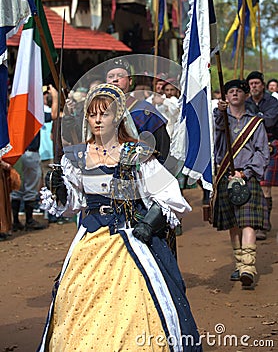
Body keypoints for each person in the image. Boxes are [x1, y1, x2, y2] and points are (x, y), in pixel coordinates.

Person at [38, 83, 202, 351]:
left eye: (105, 113)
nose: (98, 120)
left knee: (136, 304)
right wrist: (59, 190)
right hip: (89, 244)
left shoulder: (137, 154)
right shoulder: (76, 158)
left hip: (131, 239)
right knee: (77, 301)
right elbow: (72, 205)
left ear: (118, 117)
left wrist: (150, 223)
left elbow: (171, 197)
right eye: (93, 115)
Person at [213, 79, 270, 288]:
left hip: (247, 177)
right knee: (233, 224)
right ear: (226, 97)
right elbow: (216, 131)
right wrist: (220, 112)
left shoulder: (256, 122)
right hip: (225, 176)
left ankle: (248, 267)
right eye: (230, 91)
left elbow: (262, 152)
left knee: (248, 222)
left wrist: (245, 173)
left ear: (246, 95)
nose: (234, 93)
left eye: (239, 91)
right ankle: (238, 265)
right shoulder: (220, 120)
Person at [106, 58, 171, 164]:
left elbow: (162, 145)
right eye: (111, 76)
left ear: (130, 81)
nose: (115, 80)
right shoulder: (100, 111)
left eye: (120, 76)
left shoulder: (145, 110)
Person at [11, 84, 58, 231]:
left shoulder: (15, 111)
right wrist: (55, 97)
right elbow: (54, 115)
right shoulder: (32, 112)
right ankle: (29, 220)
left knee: (17, 188)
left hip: (17, 153)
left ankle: (16, 221)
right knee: (30, 188)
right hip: (29, 153)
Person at [245, 71, 278, 240]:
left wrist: (253, 119)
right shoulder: (246, 102)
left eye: (257, 83)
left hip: (271, 145)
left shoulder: (272, 102)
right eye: (251, 84)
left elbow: (271, 121)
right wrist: (260, 118)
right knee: (253, 184)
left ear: (262, 85)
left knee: (265, 186)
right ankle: (255, 221)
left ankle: (263, 225)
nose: (254, 86)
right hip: (251, 147)